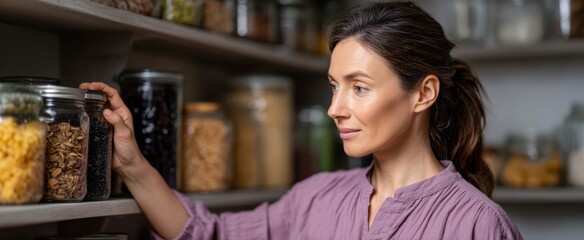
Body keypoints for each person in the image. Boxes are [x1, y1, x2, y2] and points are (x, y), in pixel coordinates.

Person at [80, 1, 522, 239]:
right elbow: (205, 234)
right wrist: (133, 165)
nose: (335, 108)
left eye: (359, 87)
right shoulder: (317, 198)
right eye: (334, 86)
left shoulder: (477, 224)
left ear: (423, 93)